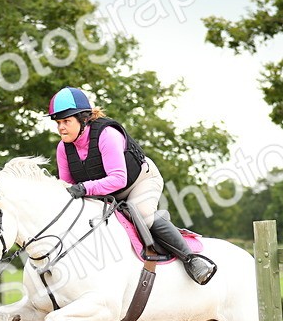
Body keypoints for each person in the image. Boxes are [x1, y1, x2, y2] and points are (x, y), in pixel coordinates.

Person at [45, 87, 217, 285]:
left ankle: (191, 259)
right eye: (58, 122)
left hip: (139, 182)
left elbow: (118, 179)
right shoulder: (63, 148)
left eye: (66, 121)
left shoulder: (106, 135)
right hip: (105, 191)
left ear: (84, 119)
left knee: (141, 212)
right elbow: (68, 186)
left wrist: (84, 188)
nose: (61, 128)